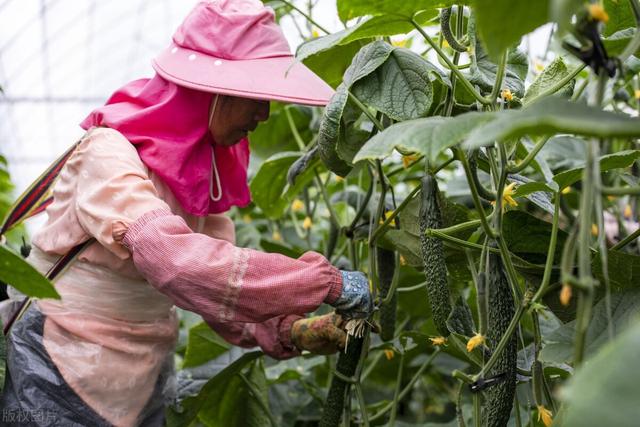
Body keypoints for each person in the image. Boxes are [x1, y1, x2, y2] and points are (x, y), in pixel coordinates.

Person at [0, 1, 372, 426]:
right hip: (58, 364)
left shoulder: (196, 176)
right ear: (209, 91)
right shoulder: (109, 152)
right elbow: (177, 263)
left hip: (142, 375)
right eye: (255, 96)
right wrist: (324, 282)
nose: (264, 113)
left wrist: (293, 331)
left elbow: (218, 289)